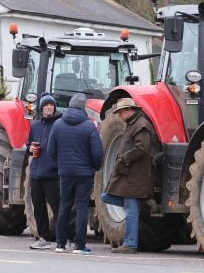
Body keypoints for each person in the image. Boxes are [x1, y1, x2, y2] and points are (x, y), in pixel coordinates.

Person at [48, 93, 103, 255]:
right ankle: (79, 245)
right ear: (83, 107)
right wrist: (95, 167)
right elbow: (97, 153)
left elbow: (51, 150)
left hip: (65, 173)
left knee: (64, 206)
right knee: (81, 207)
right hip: (84, 174)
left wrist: (60, 166)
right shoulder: (88, 126)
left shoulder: (57, 125)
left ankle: (60, 244)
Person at [101, 98, 157, 254]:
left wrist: (124, 158)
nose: (119, 115)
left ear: (128, 110)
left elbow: (142, 148)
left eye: (120, 112)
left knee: (130, 210)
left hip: (135, 174)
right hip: (130, 173)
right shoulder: (134, 124)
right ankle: (143, 202)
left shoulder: (141, 125)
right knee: (106, 197)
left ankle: (130, 244)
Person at [27, 93, 62, 250]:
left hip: (52, 173)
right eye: (46, 105)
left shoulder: (59, 124)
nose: (49, 107)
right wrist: (30, 148)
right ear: (41, 108)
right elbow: (29, 144)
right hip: (36, 173)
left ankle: (64, 239)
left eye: (51, 105)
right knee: (38, 207)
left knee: (58, 208)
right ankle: (43, 238)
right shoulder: (34, 125)